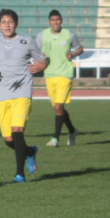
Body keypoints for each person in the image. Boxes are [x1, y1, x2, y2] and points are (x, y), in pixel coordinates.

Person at [0, 9, 47, 183]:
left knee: (17, 132)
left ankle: (19, 174)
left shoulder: (27, 41)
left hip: (22, 92)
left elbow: (44, 59)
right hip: (1, 95)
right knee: (9, 140)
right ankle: (30, 152)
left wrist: (40, 66)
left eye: (10, 22)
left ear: (16, 24)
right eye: (4, 22)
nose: (7, 25)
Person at [36, 9, 83, 147]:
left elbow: (80, 48)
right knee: (59, 108)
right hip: (50, 75)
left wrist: (73, 54)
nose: (55, 22)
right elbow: (35, 51)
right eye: (52, 20)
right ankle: (72, 130)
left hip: (65, 74)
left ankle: (55, 138)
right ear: (49, 22)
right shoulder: (42, 36)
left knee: (58, 106)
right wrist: (40, 57)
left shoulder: (69, 35)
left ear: (61, 21)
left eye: (57, 20)